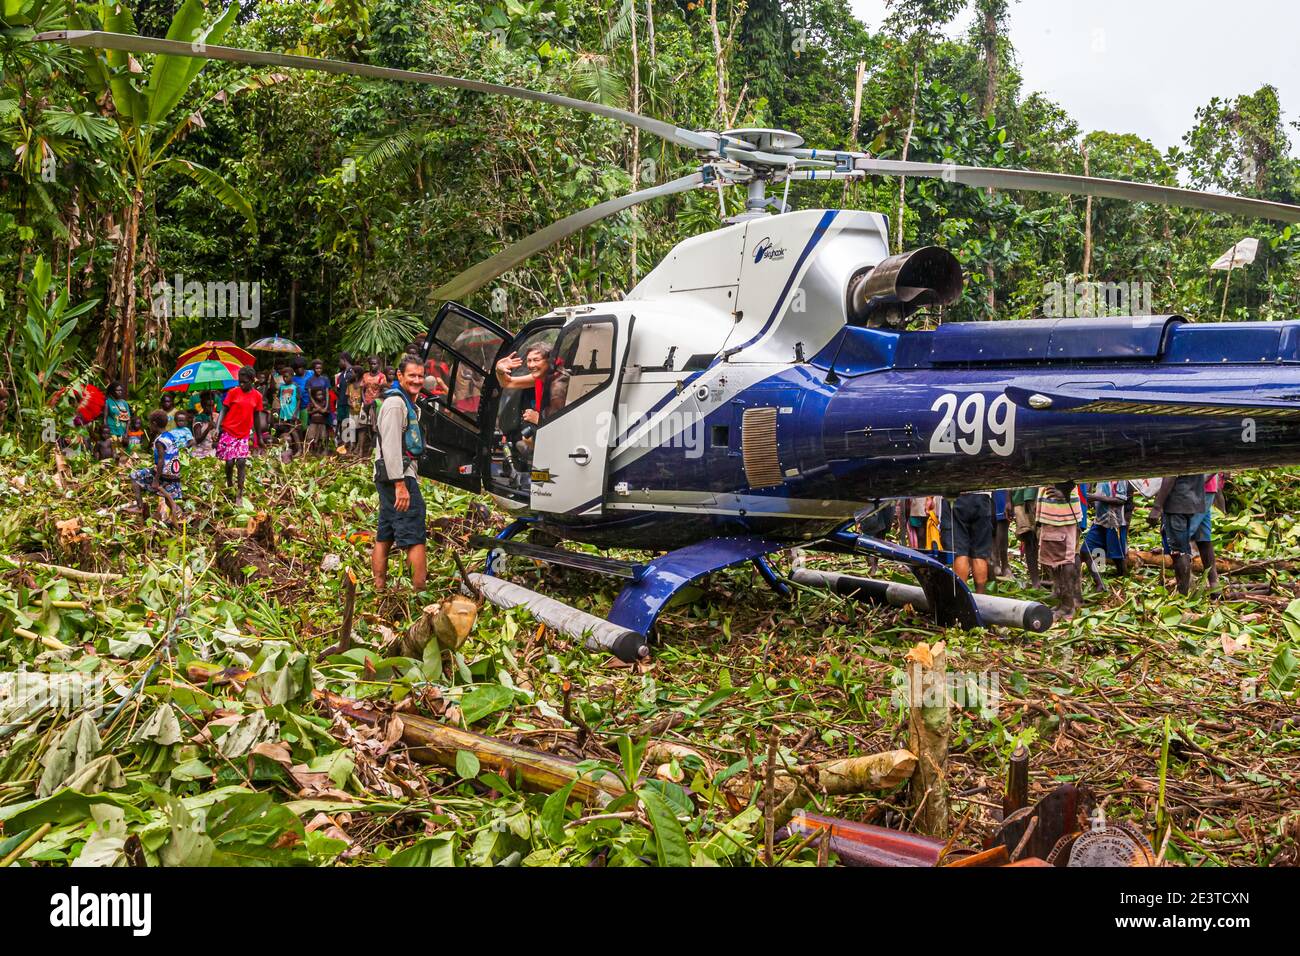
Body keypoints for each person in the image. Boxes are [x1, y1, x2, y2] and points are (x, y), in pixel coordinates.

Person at [372, 356, 428, 592]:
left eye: (420, 376)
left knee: (385, 532)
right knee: (415, 534)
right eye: (411, 376)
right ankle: (420, 595)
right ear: (400, 376)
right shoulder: (396, 404)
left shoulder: (407, 403)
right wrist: (400, 484)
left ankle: (379, 587)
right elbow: (391, 446)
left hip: (392, 476)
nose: (416, 380)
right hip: (397, 477)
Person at [1151, 474, 1209, 595]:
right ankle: (1184, 589)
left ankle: (1183, 593)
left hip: (1176, 503)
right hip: (1190, 501)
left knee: (1179, 552)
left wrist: (1157, 506)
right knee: (1183, 549)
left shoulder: (1175, 455)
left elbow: (1170, 475)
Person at [215, 366, 264, 507]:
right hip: (229, 431)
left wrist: (259, 437)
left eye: (244, 382)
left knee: (241, 462)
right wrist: (217, 428)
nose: (241, 384)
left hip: (243, 434)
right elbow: (223, 410)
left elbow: (256, 418)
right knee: (229, 462)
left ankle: (239, 493)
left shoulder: (257, 397)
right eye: (239, 382)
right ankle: (230, 483)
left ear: (251, 381)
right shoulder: (233, 393)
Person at [127, 409, 184, 526]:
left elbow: (162, 460)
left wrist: (156, 480)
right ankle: (179, 517)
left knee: (134, 476)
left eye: (149, 423)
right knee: (169, 500)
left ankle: (139, 507)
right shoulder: (170, 435)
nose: (148, 426)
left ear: (154, 424)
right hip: (174, 473)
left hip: (163, 474)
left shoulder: (160, 441)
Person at [1036, 482, 1083, 619]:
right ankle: (1063, 601)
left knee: (1064, 559)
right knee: (1053, 560)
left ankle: (1068, 605)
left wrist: (1066, 492)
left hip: (1060, 513)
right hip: (1052, 512)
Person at [950, 491, 994, 594]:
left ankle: (961, 596)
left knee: (960, 551)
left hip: (955, 495)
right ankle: (980, 596)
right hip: (981, 495)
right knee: (979, 553)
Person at [1084, 480, 1129, 577]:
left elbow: (1121, 500)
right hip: (1100, 520)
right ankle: (1099, 577)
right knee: (1088, 550)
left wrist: (1095, 498)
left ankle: (1122, 578)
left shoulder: (1120, 477)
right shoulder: (1101, 474)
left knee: (1117, 556)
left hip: (1114, 522)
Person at [357, 357, 388, 457]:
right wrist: (364, 400)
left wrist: (374, 400)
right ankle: (361, 450)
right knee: (362, 427)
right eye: (371, 364)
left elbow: (383, 390)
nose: (373, 365)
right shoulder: (365, 375)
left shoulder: (381, 377)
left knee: (374, 427)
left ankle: (371, 451)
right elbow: (362, 389)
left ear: (378, 365)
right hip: (365, 403)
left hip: (376, 404)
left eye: (375, 364)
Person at [1010, 486, 1040, 587]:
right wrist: (1008, 500)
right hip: (1020, 498)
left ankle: (1051, 579)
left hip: (1041, 497)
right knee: (1028, 537)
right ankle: (1035, 581)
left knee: (1045, 538)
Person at [103, 382, 131, 448]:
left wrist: (126, 434)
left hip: (122, 432)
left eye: (121, 390)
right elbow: (105, 418)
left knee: (123, 453)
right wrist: (107, 433)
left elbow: (128, 420)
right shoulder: (108, 402)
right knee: (114, 452)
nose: (120, 392)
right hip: (112, 431)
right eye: (117, 390)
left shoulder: (124, 403)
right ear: (112, 391)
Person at [306, 385, 330, 454]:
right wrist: (316, 410)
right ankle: (311, 450)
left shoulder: (324, 403)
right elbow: (308, 412)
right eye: (318, 395)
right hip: (313, 423)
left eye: (321, 395)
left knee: (321, 438)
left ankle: (319, 450)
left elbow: (327, 412)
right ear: (314, 396)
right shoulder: (311, 404)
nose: (320, 396)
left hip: (322, 423)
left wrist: (323, 411)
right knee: (312, 437)